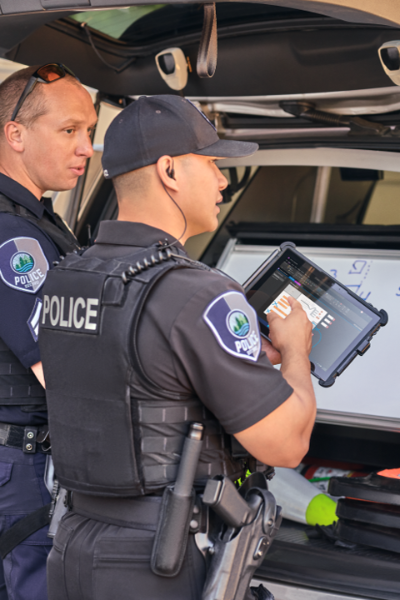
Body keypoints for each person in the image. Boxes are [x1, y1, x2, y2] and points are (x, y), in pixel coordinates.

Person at [39, 95, 316, 600]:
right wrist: (296, 350)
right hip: (158, 561)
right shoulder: (196, 294)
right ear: (169, 170)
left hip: (73, 547)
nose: (222, 181)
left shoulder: (65, 278)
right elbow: (286, 442)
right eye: (211, 164)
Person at [0, 64, 97, 600]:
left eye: (89, 131)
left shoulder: (40, 220)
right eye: (69, 131)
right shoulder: (12, 234)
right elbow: (63, 368)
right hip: (20, 466)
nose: (85, 147)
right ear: (15, 134)